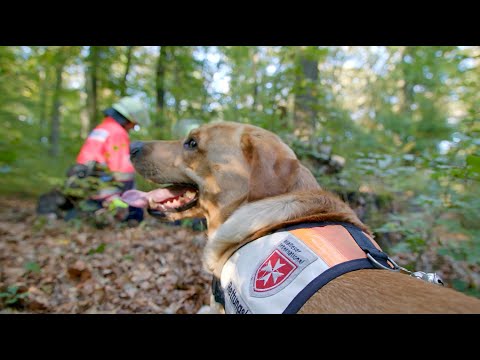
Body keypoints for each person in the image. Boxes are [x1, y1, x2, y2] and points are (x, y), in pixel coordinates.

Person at [65, 96, 150, 226]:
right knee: (132, 199)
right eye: (134, 124)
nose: (133, 127)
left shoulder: (103, 127)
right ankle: (132, 221)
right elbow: (122, 170)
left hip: (84, 178)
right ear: (128, 119)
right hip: (101, 180)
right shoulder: (118, 133)